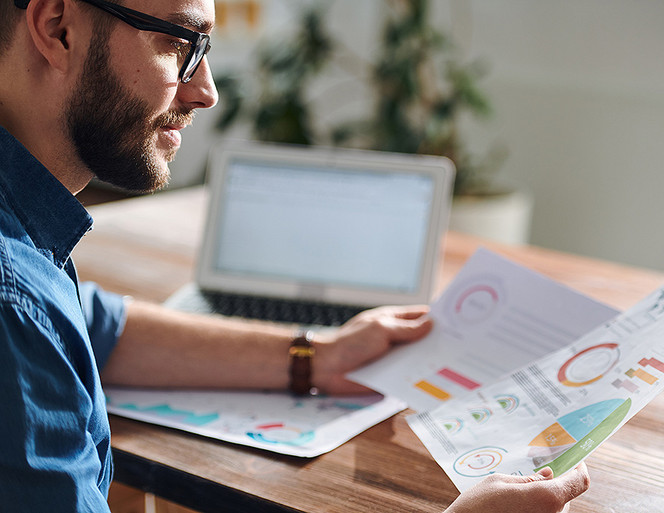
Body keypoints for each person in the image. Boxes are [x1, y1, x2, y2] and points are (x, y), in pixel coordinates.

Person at [0, 0, 590, 511]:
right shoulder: (14, 306)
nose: (205, 90)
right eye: (179, 42)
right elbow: (35, 321)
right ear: (58, 28)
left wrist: (319, 358)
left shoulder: (27, 260)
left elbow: (94, 323)